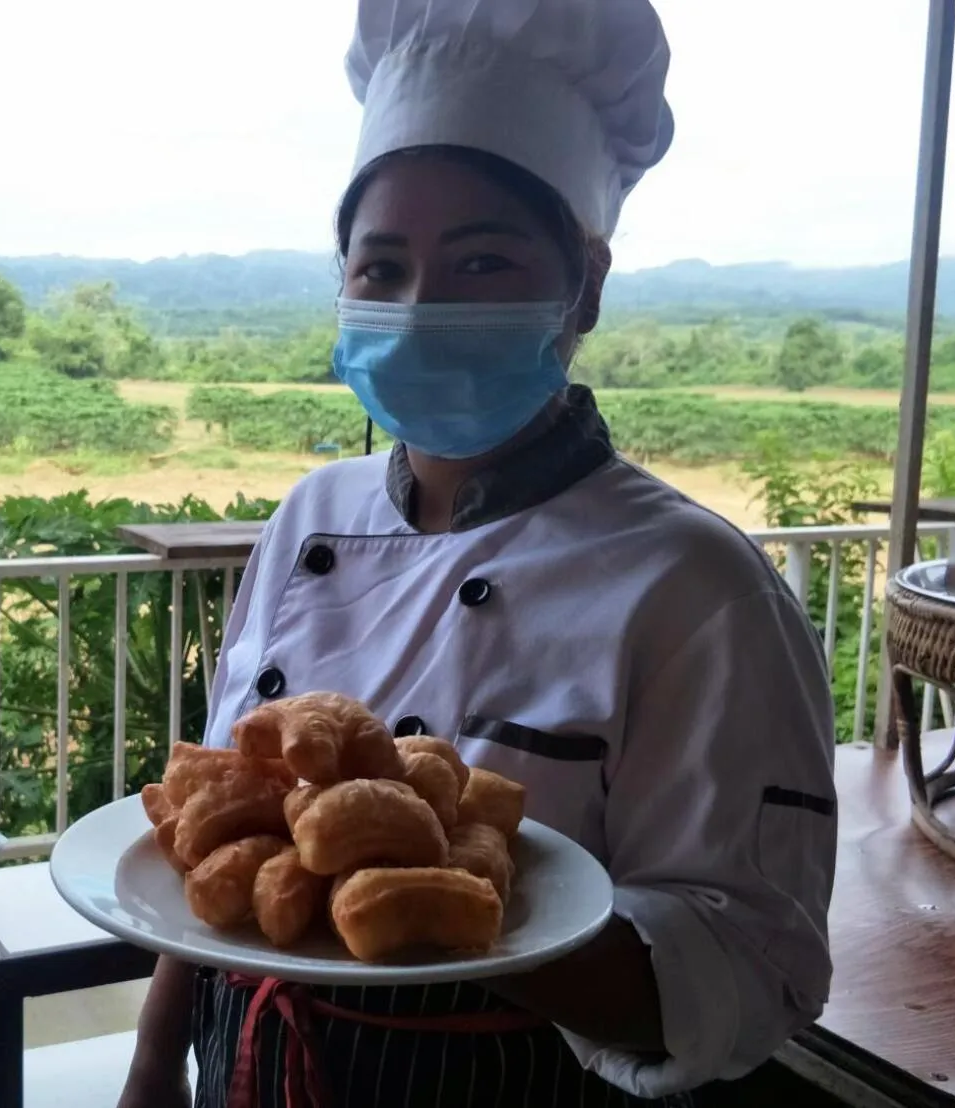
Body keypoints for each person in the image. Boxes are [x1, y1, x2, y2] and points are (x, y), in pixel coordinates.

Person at [119, 0, 839, 1104]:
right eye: (382, 268)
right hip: (246, 1055)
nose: (420, 311)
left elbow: (749, 965)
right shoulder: (310, 515)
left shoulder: (695, 587)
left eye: (482, 261)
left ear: (583, 285)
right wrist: (153, 1061)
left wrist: (450, 901)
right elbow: (219, 829)